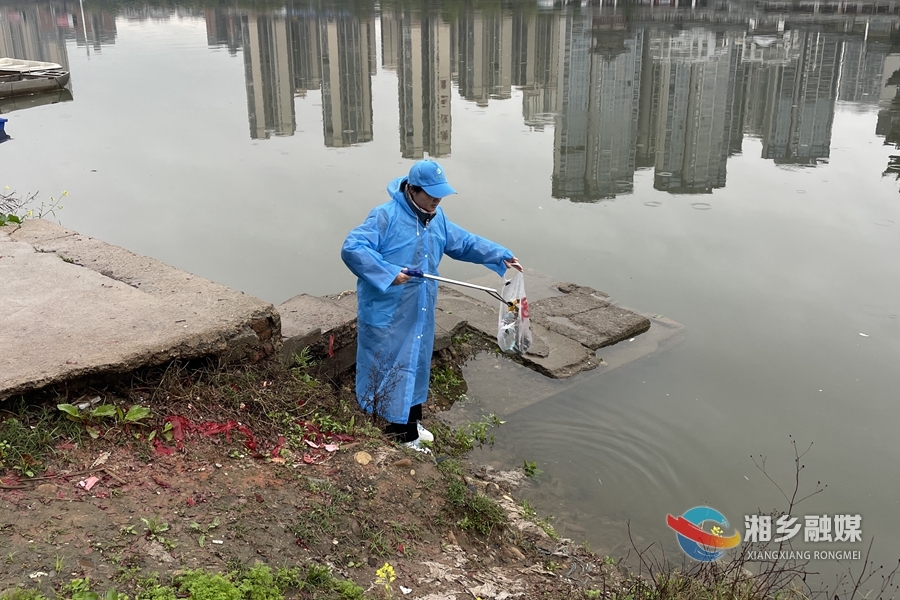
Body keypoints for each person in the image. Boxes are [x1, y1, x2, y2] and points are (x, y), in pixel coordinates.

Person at [341, 159, 522, 452]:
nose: (437, 200)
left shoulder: (437, 218)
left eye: (441, 194)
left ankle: (410, 422)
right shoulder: (385, 217)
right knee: (390, 365)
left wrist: (500, 255)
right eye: (432, 194)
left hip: (420, 306)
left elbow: (464, 243)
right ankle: (397, 433)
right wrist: (389, 273)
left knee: (415, 364)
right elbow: (353, 248)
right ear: (413, 190)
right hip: (389, 310)